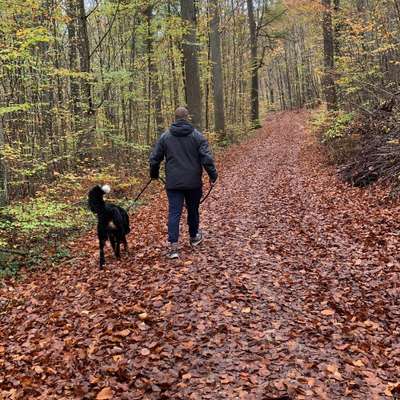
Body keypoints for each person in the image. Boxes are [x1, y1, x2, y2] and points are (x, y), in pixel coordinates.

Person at [149, 107, 218, 259]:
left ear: (175, 118)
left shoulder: (165, 137)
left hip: (173, 183)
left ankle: (173, 247)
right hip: (193, 182)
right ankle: (194, 237)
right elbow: (206, 158)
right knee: (193, 209)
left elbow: (155, 158)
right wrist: (213, 175)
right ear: (187, 117)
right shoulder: (197, 136)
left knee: (174, 212)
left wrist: (153, 173)